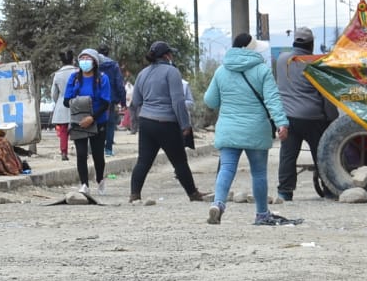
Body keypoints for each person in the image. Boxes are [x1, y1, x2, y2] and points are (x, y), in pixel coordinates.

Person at [203, 33, 297, 226]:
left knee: (227, 168)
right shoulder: (262, 70)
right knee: (259, 173)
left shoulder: (221, 71)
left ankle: (218, 204)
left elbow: (210, 101)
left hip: (228, 128)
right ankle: (262, 214)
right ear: (250, 49)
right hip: (255, 128)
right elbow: (272, 99)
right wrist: (282, 123)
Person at [127, 40, 207, 204]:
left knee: (144, 160)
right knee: (179, 161)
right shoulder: (172, 72)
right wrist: (185, 125)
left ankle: (134, 194)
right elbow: (178, 101)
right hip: (167, 123)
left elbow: (136, 100)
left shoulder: (143, 73)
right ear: (166, 55)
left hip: (146, 122)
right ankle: (192, 193)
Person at [276, 27, 337, 199]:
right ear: (311, 44)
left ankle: (284, 191)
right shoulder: (315, 63)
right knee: (321, 153)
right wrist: (331, 117)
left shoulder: (281, 60)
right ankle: (329, 189)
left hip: (288, 117)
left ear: (294, 41)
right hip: (313, 117)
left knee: (288, 155)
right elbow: (325, 93)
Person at [62, 48, 112, 197]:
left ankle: (100, 178)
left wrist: (92, 117)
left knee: (97, 155)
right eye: (82, 58)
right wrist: (78, 105)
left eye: (87, 58)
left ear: (95, 61)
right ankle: (84, 184)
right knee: (81, 154)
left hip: (98, 120)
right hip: (79, 122)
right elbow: (66, 101)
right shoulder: (74, 78)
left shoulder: (103, 78)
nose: (84, 61)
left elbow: (105, 102)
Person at [97, 44, 126, 157]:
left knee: (94, 122)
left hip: (96, 98)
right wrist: (122, 101)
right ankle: (108, 149)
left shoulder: (94, 64)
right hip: (110, 99)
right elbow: (119, 84)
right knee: (109, 124)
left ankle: (92, 148)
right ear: (108, 53)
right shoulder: (114, 66)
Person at [50, 49, 77, 161]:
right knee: (79, 128)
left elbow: (53, 93)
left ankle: (64, 152)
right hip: (77, 102)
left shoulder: (57, 74)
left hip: (62, 103)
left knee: (63, 131)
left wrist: (58, 102)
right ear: (72, 60)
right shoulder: (77, 72)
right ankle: (81, 151)